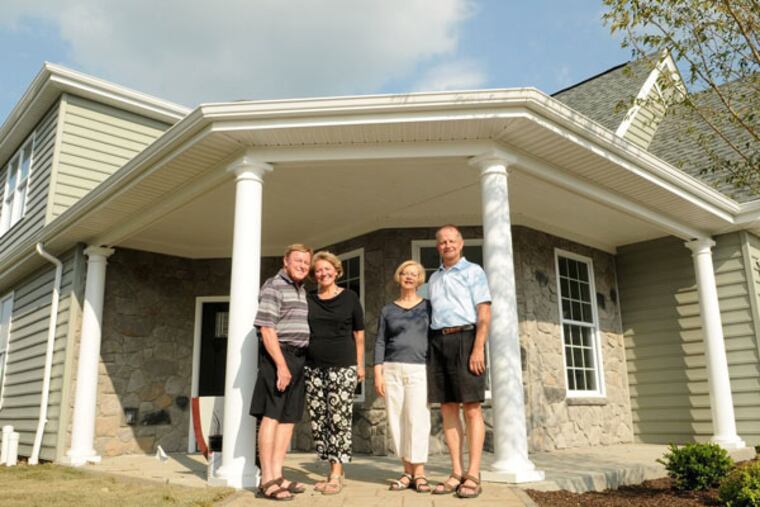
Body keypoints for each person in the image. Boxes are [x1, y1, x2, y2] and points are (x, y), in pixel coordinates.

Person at [427, 225, 491, 499]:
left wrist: (478, 348)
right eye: (442, 242)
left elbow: (484, 313)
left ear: (461, 243)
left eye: (452, 241)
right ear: (438, 247)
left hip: (466, 339)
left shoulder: (474, 271)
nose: (447, 245)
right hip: (438, 342)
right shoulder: (433, 278)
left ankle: (473, 473)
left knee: (472, 409)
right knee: (448, 408)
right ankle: (456, 471)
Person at [250, 243, 313, 501]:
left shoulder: (300, 289)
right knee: (272, 416)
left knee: (288, 419)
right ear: (285, 261)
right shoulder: (274, 286)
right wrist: (281, 366)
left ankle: (278, 474)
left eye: (306, 263)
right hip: (280, 356)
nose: (302, 266)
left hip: (298, 357)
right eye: (297, 260)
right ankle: (267, 480)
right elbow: (267, 328)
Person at [305, 251, 365, 495]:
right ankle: (332, 469)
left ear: (336, 271)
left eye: (327, 268)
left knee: (338, 420)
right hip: (313, 367)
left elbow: (359, 335)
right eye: (318, 270)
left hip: (342, 366)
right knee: (320, 421)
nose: (323, 273)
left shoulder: (350, 297)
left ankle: (336, 474)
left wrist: (360, 365)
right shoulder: (308, 298)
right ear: (314, 274)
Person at [374, 260, 432, 493]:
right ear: (399, 277)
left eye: (414, 274)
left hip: (419, 369)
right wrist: (378, 373)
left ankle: (420, 474)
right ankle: (407, 471)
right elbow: (380, 340)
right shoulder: (388, 310)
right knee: (397, 420)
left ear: (419, 280)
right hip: (392, 369)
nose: (409, 277)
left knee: (417, 420)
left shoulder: (428, 307)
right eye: (405, 273)